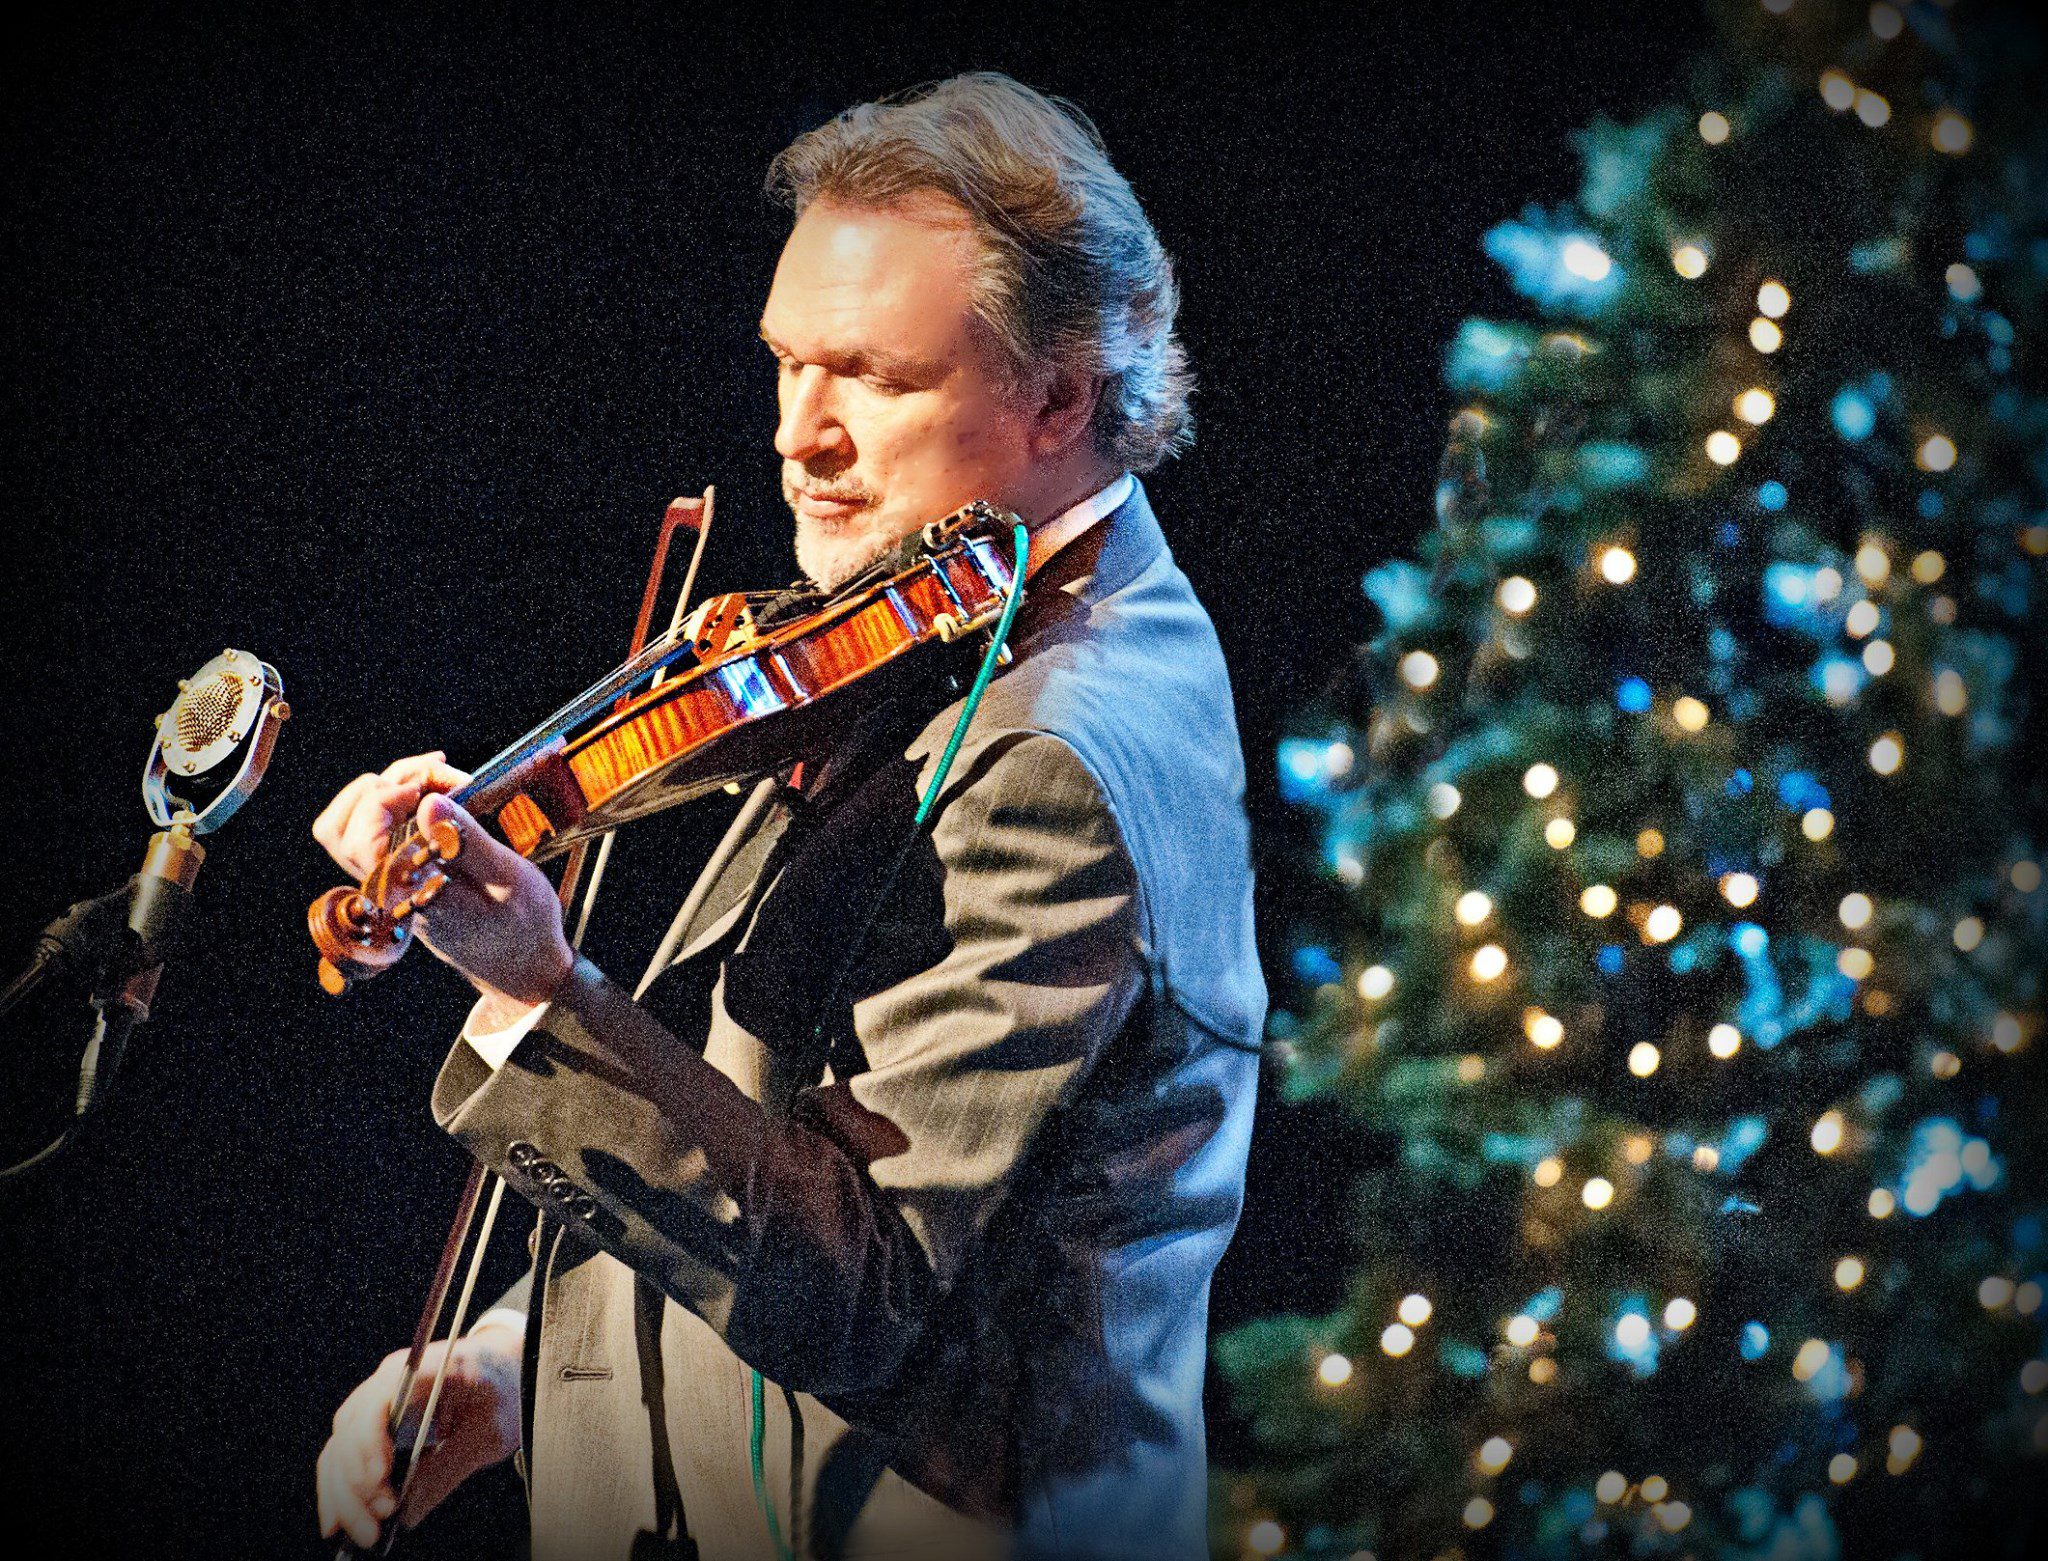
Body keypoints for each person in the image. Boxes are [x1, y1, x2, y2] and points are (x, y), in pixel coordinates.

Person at [313, 72, 1263, 1561]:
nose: (796, 435)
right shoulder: (951, 599)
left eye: (873, 378)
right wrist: (511, 1362)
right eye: (784, 361)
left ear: (1064, 394)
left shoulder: (1063, 754)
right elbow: (768, 1105)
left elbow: (865, 1277)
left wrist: (535, 986)